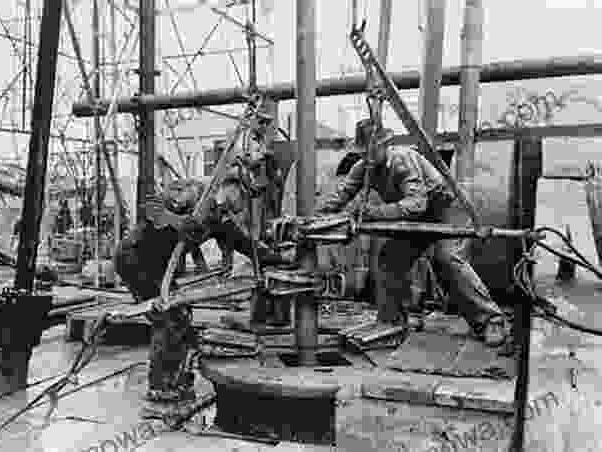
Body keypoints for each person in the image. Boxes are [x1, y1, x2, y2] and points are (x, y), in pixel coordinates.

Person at [315, 119, 509, 347]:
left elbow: (417, 203)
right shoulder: (363, 168)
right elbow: (341, 194)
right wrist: (317, 217)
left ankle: (491, 320)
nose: (367, 157)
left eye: (371, 151)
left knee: (446, 259)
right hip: (418, 216)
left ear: (384, 145)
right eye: (362, 152)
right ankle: (393, 320)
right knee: (390, 259)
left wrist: (374, 212)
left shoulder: (402, 159)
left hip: (447, 210)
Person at [113, 176, 287, 410]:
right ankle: (159, 387)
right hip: (135, 259)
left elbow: (246, 245)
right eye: (239, 196)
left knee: (180, 319)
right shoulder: (194, 193)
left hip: (161, 267)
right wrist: (178, 221)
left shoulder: (219, 220)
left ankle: (176, 378)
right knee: (167, 319)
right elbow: (151, 208)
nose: (240, 204)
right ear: (227, 187)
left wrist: (280, 260)